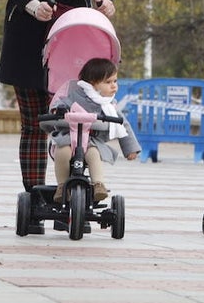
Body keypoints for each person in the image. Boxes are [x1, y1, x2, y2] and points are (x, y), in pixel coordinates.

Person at [0, 0, 115, 234]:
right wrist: (32, 4)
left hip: (75, 37)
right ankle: (34, 198)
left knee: (74, 123)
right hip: (28, 35)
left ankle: (71, 192)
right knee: (34, 125)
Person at [50, 58, 140, 204]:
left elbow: (123, 124)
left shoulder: (108, 105)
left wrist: (130, 148)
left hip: (92, 141)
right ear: (93, 83)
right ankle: (62, 186)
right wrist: (58, 110)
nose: (114, 86)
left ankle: (98, 184)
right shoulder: (75, 94)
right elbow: (60, 104)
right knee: (63, 152)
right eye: (108, 82)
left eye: (115, 81)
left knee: (93, 154)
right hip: (69, 136)